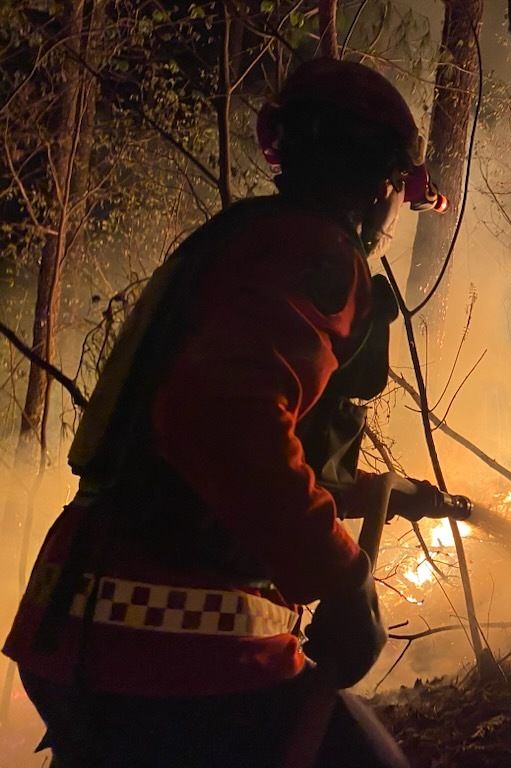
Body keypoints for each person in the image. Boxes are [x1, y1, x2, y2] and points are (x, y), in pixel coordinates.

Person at [3, 58, 451, 768]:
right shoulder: (319, 254)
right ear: (380, 185)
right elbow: (221, 419)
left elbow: (218, 458)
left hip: (71, 633)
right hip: (178, 653)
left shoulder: (238, 245)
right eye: (402, 193)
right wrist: (339, 572)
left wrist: (374, 495)